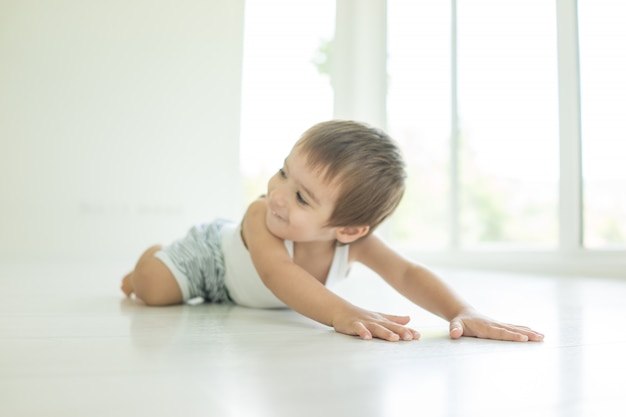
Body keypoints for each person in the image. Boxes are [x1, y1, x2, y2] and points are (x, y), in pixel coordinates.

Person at [121, 120, 544, 343]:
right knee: (154, 291)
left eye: (302, 198)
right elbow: (276, 275)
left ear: (347, 229)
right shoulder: (260, 215)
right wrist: (341, 311)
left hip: (242, 292)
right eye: (284, 172)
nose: (279, 195)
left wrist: (461, 312)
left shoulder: (357, 244)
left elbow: (406, 273)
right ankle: (154, 257)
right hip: (213, 260)